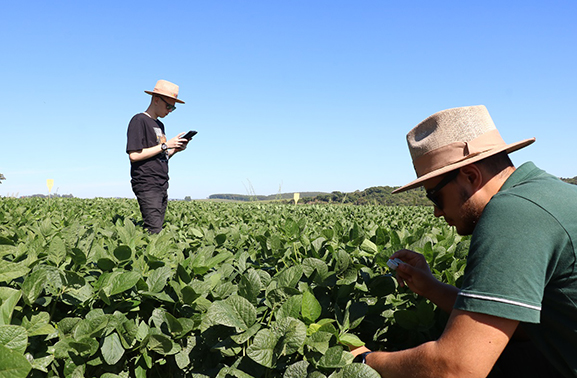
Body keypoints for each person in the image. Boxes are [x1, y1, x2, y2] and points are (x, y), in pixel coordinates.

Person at [353, 105, 577, 377]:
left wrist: (363, 361)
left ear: (470, 176)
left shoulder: (515, 213)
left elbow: (456, 368)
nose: (436, 211)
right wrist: (432, 288)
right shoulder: (547, 193)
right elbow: (520, 329)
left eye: (435, 196)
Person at [126, 79, 190, 233]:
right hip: (147, 183)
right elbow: (134, 155)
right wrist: (166, 145)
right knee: (154, 230)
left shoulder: (160, 125)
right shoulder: (139, 120)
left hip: (161, 183)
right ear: (156, 99)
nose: (169, 110)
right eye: (168, 106)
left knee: (157, 229)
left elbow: (160, 155)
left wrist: (174, 149)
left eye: (173, 108)